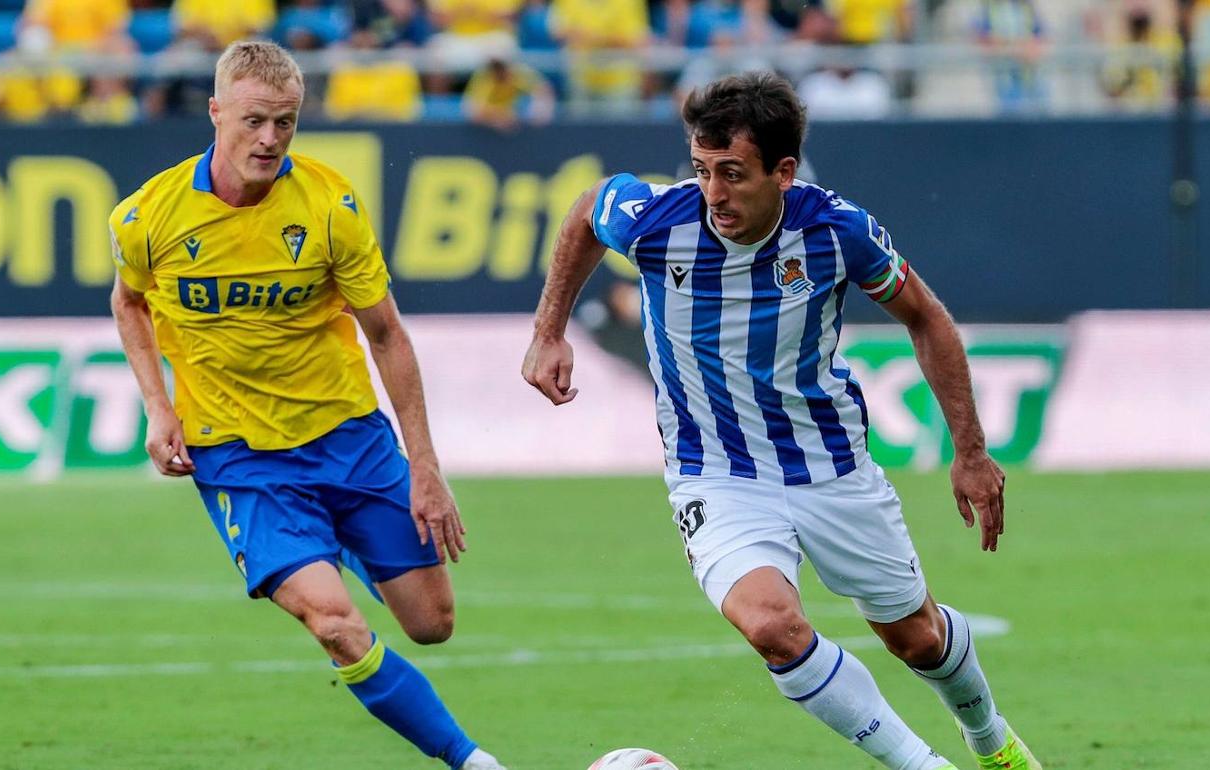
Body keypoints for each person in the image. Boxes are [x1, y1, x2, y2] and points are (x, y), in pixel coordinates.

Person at [522, 71, 1042, 770]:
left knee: (917, 638)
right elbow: (588, 210)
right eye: (703, 170)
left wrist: (971, 452)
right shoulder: (654, 221)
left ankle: (992, 743)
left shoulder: (834, 232)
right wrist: (549, 329)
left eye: (733, 174)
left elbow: (928, 319)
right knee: (773, 625)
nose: (713, 193)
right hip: (715, 473)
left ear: (783, 171)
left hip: (831, 466)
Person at [109, 41, 506, 770]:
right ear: (216, 111)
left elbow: (386, 334)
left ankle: (339, 539)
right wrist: (158, 407)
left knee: (431, 624)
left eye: (286, 123)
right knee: (334, 621)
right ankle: (473, 762)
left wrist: (424, 465)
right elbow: (129, 302)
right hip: (238, 457)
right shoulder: (148, 216)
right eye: (255, 120)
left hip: (347, 436)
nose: (270, 139)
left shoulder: (330, 207)